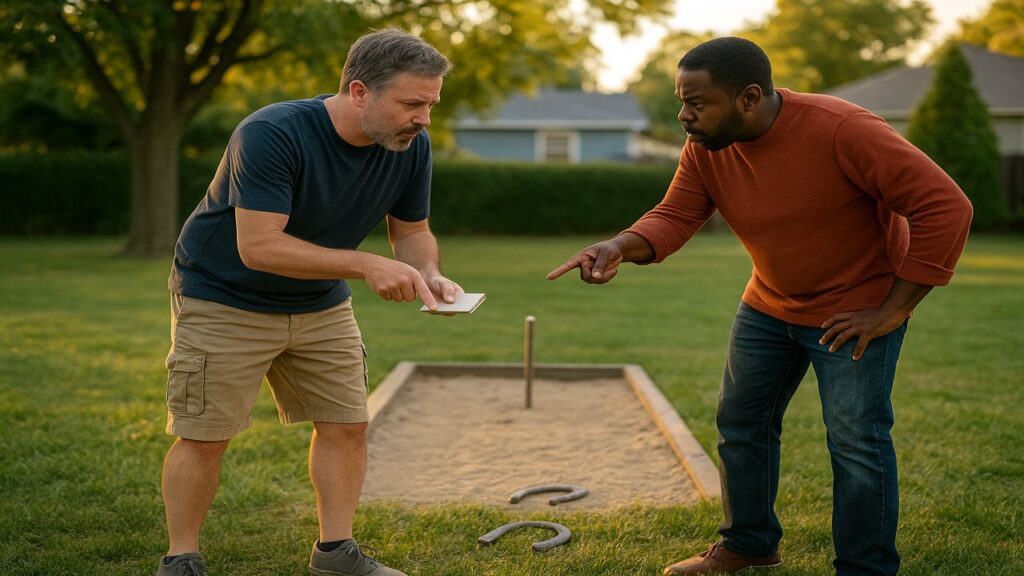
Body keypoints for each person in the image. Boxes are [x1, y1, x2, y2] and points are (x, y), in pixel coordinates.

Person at [548, 37, 973, 576]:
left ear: (748, 97)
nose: (684, 115)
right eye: (682, 102)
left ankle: (865, 568)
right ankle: (748, 544)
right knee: (741, 422)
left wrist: (893, 309)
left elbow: (945, 205)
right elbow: (676, 214)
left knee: (856, 442)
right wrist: (618, 246)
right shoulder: (707, 145)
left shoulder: (842, 129)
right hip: (769, 305)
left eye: (696, 103)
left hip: (854, 314)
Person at [158, 29, 459, 576]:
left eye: (431, 105)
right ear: (360, 91)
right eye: (412, 104)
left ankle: (335, 554)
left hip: (320, 301)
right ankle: (181, 559)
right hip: (224, 295)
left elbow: (412, 231)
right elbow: (259, 246)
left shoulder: (409, 145)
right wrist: (365, 264)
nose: (424, 119)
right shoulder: (272, 133)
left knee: (346, 424)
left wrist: (429, 272)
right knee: (205, 435)